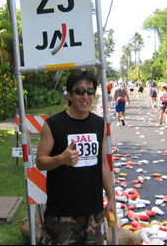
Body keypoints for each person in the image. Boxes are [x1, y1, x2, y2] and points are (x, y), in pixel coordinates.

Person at [36, 70, 116, 245]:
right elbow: (40, 161)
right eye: (79, 91)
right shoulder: (53, 125)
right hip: (62, 214)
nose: (85, 96)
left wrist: (111, 197)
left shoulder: (98, 124)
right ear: (70, 95)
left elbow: (102, 163)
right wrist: (60, 159)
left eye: (90, 91)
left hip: (92, 212)